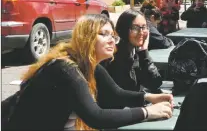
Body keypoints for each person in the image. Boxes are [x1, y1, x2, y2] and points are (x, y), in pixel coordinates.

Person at [5, 14, 173, 130]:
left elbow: (116, 93)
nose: (111, 40)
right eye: (104, 34)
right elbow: (95, 116)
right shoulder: (66, 68)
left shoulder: (90, 64)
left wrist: (149, 97)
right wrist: (147, 112)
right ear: (87, 37)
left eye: (112, 36)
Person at [102, 9, 163, 92]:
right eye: (135, 28)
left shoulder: (137, 53)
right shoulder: (114, 57)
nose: (141, 32)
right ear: (124, 29)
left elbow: (155, 83)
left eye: (144, 27)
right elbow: (127, 90)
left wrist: (144, 52)